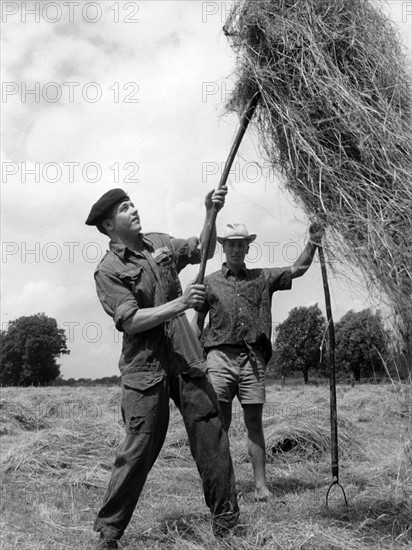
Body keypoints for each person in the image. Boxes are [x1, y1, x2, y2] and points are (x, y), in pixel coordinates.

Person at [85, 188, 239, 549]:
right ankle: (108, 533)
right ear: (109, 225)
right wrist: (181, 303)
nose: (134, 209)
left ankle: (227, 523)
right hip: (145, 366)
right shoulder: (108, 270)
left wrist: (209, 213)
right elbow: (133, 320)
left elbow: (204, 250)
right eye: (125, 208)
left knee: (211, 436)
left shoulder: (158, 242)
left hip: (185, 356)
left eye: (132, 202)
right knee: (138, 448)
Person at [192, 222, 324, 501]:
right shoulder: (208, 281)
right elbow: (197, 321)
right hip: (219, 357)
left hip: (253, 359)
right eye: (231, 244)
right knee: (220, 423)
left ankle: (261, 486)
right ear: (223, 248)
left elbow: (297, 269)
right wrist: (193, 359)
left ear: (248, 248)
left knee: (254, 422)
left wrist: (313, 241)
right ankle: (223, 487)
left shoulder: (263, 277)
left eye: (241, 244)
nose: (236, 249)